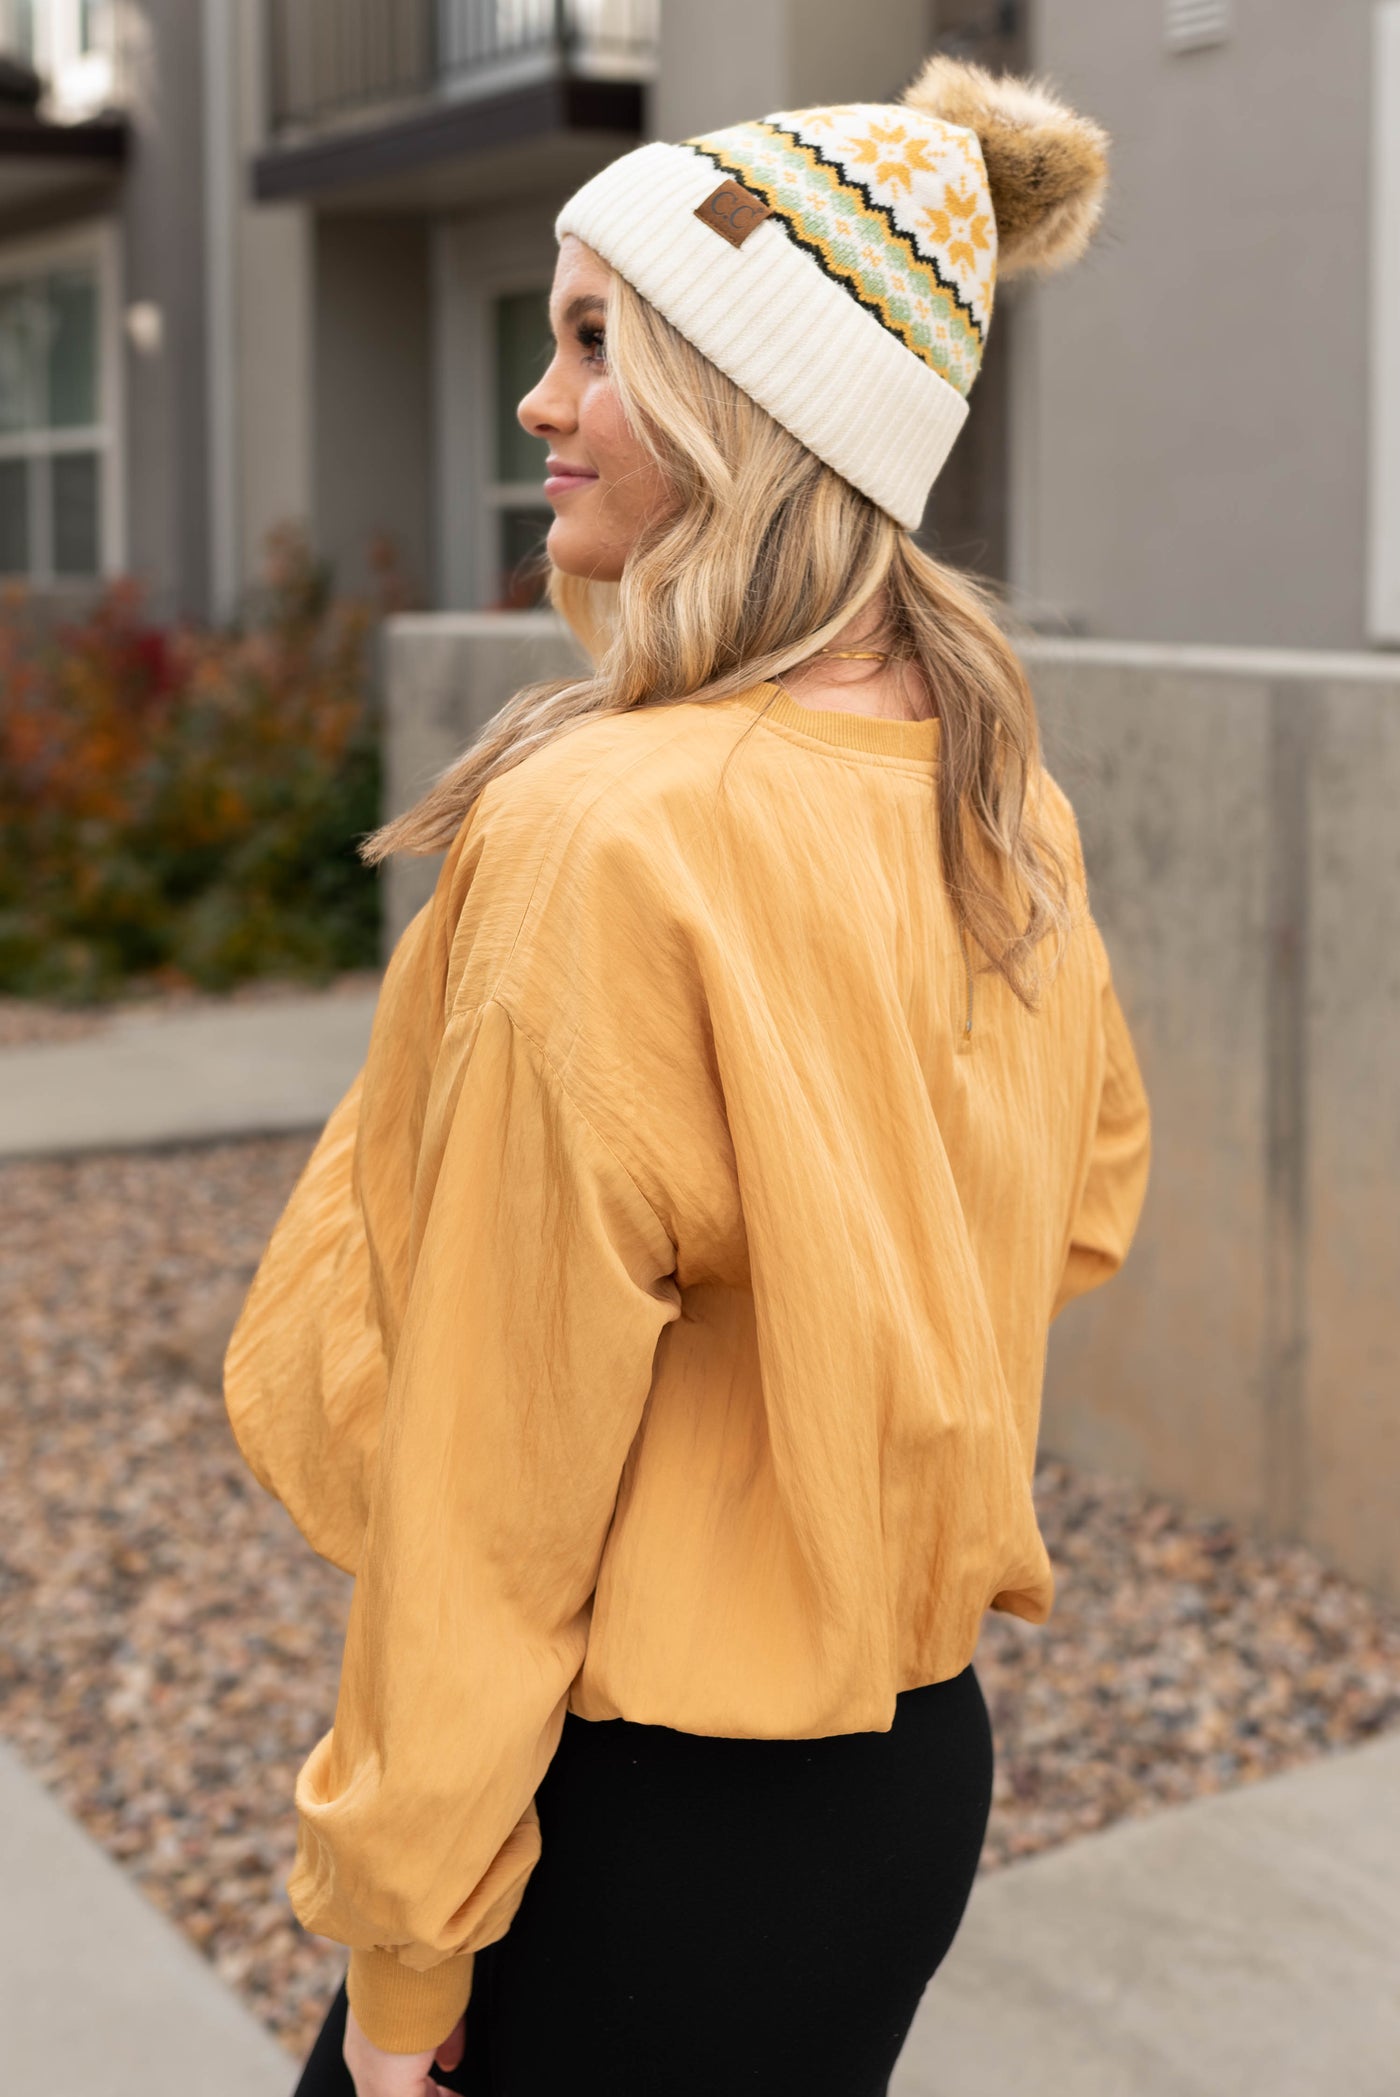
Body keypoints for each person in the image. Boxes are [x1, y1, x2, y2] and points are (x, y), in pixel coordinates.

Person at [224, 50, 1150, 2097]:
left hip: (630, 1825)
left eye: (591, 344)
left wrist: (400, 1952)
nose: (540, 403)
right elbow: (1076, 1206)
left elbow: (489, 1472)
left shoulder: (607, 828)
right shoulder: (999, 802)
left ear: (757, 410)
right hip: (898, 1795)